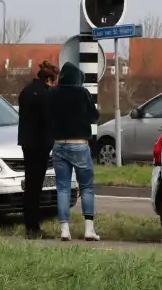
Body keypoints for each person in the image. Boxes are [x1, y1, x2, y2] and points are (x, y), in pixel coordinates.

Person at [45, 62, 100, 241]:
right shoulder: (82, 92)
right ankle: (89, 230)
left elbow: (47, 115)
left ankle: (64, 230)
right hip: (79, 144)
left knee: (62, 187)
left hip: (59, 144)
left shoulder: (52, 93)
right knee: (86, 187)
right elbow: (94, 117)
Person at [17, 60, 59, 239]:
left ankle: (29, 224)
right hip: (40, 144)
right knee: (36, 185)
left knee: (30, 184)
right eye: (54, 81)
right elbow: (49, 119)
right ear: (49, 79)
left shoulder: (26, 91)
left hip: (27, 143)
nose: (55, 84)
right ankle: (34, 227)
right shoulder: (46, 94)